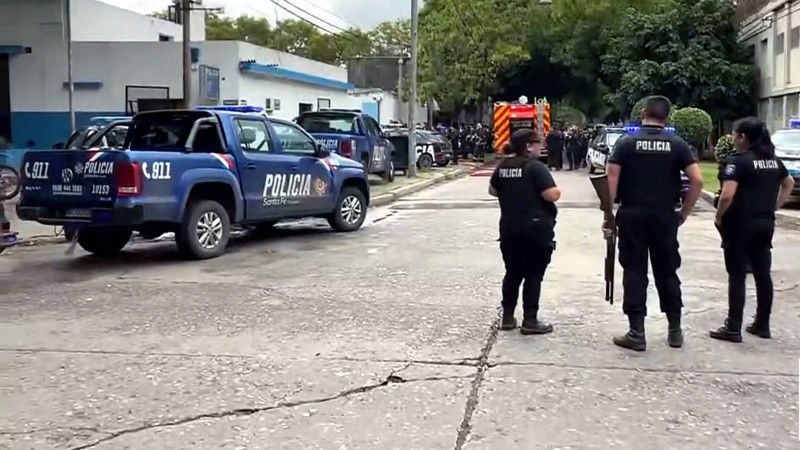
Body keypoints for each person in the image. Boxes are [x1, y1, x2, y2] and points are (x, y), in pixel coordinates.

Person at [604, 95, 704, 351]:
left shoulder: (626, 143)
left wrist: (609, 216)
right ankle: (674, 331)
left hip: (633, 215)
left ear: (643, 114)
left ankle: (637, 333)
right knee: (667, 271)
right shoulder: (677, 144)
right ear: (666, 117)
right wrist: (684, 212)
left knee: (635, 271)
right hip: (664, 216)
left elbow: (610, 184)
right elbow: (698, 181)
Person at [710, 118, 795, 342]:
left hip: (739, 224)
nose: (733, 139)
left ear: (743, 137)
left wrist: (719, 216)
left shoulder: (738, 161)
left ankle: (733, 326)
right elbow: (789, 183)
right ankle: (762, 324)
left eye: (735, 135)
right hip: (765, 223)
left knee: (737, 275)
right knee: (762, 275)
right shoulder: (773, 161)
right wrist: (774, 205)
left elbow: (727, 195)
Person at [489, 128, 560, 335]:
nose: (541, 146)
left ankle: (508, 317)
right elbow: (551, 195)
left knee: (512, 273)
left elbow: (492, 190)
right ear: (528, 147)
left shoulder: (503, 166)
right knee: (533, 275)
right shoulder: (535, 168)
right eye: (538, 143)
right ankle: (530, 320)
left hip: (510, 229)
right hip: (535, 231)